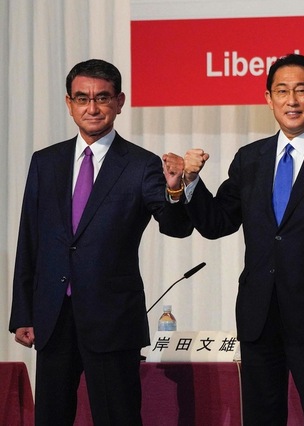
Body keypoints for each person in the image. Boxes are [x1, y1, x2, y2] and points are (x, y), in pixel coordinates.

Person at [170, 53, 304, 425]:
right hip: (259, 313)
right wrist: (190, 182)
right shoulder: (250, 158)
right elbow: (218, 223)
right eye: (282, 91)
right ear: (268, 98)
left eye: (302, 90)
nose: (292, 100)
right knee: (260, 416)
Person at [8, 59, 193, 425]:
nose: (92, 107)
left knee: (118, 417)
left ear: (120, 102)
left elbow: (177, 227)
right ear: (69, 103)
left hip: (112, 320)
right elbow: (30, 238)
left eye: (102, 98)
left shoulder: (142, 165)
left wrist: (175, 189)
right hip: (54, 317)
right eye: (82, 98)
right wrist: (23, 312)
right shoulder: (46, 162)